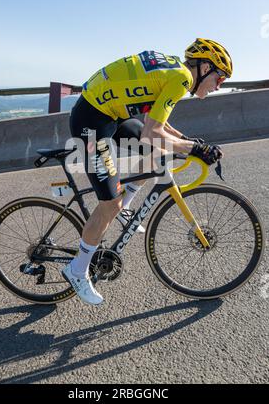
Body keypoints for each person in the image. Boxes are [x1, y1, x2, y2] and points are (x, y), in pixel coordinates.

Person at [63, 38, 233, 305]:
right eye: (220, 77)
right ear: (204, 67)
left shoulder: (177, 72)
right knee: (109, 204)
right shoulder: (180, 79)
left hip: (111, 114)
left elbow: (155, 125)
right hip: (92, 120)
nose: (219, 85)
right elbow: (152, 132)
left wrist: (189, 141)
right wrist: (194, 149)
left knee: (159, 153)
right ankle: (76, 269)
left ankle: (125, 208)